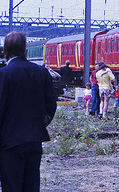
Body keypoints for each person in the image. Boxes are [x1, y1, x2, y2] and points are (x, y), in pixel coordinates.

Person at [0, 31, 57, 191]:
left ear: (6, 50)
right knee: (32, 186)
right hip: (34, 140)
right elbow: (51, 105)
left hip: (9, 142)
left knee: (12, 186)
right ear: (25, 49)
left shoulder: (4, 74)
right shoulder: (41, 72)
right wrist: (40, 124)